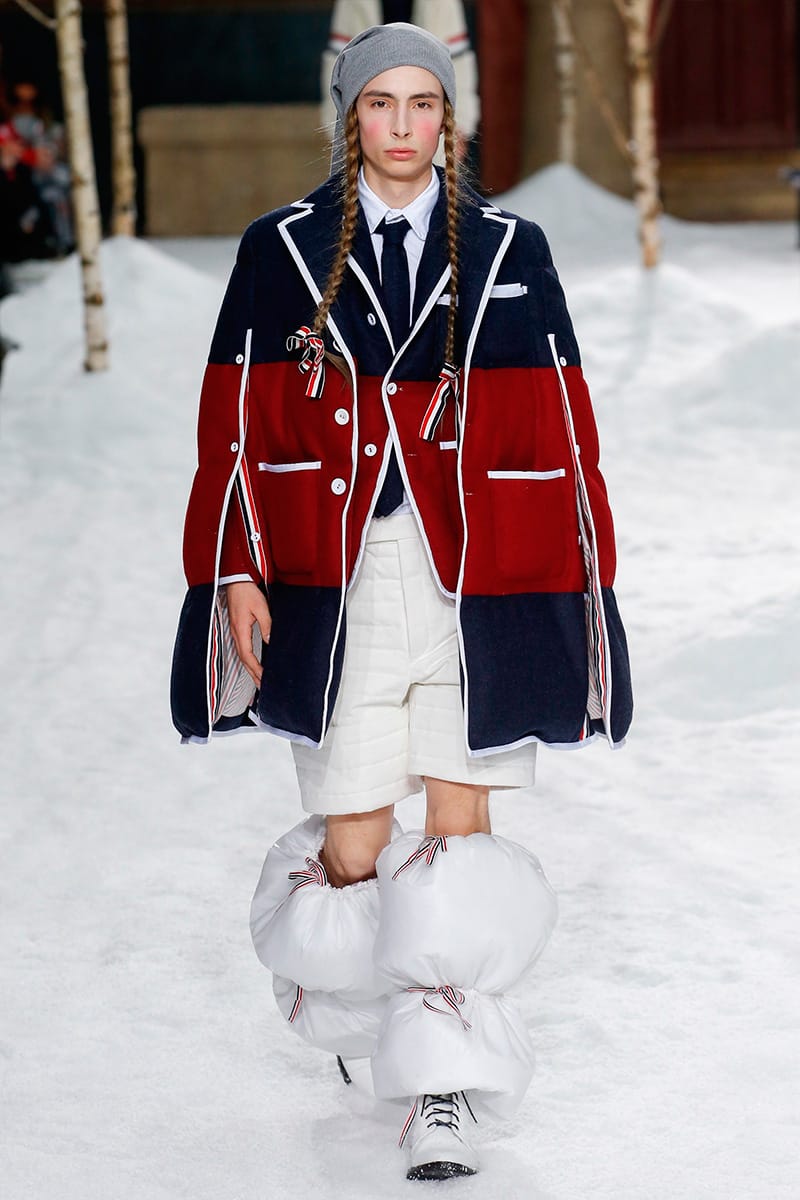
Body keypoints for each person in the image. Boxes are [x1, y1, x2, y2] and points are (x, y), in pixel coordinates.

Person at [170, 22, 632, 1183]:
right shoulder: (279, 247)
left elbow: (564, 422)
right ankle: (347, 999)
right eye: (380, 103)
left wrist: (584, 588)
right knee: (356, 839)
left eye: (423, 103)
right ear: (350, 116)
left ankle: (440, 1089)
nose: (402, 126)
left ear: (447, 119)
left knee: (456, 841)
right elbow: (232, 418)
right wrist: (234, 566)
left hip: (480, 580)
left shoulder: (510, 246)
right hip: (336, 581)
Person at [320, 0, 479, 163]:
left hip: (426, 113)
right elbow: (339, 61)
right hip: (372, 116)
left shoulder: (443, 3)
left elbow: (457, 61)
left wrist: (460, 125)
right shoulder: (351, 3)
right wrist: (338, 129)